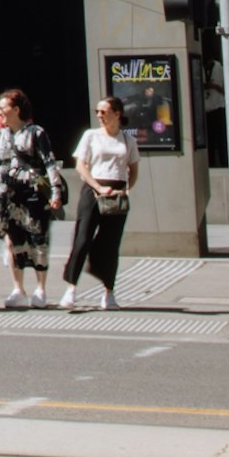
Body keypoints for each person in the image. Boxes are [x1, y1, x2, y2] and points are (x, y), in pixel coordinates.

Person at [63, 91, 137, 311]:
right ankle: (71, 288)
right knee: (83, 237)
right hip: (94, 189)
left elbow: (133, 169)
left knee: (111, 242)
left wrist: (126, 190)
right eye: (97, 112)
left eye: (104, 112)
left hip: (116, 190)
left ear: (117, 114)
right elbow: (81, 165)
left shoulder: (128, 139)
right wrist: (97, 187)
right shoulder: (91, 136)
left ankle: (109, 292)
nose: (100, 115)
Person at [0, 86, 59, 309]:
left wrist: (54, 191)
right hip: (8, 196)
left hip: (34, 193)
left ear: (16, 109)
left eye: (3, 108)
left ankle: (41, 289)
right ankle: (18, 288)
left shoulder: (36, 133)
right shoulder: (0, 136)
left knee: (38, 239)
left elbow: (49, 162)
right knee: (13, 241)